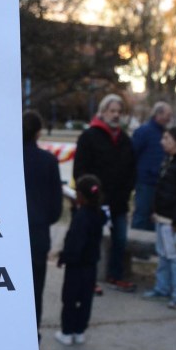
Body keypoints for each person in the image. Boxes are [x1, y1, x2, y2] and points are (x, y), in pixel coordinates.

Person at [73, 94, 136, 292]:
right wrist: (91, 195)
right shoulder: (89, 136)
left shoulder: (125, 140)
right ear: (103, 112)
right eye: (112, 111)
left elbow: (131, 169)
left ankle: (114, 275)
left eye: (119, 111)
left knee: (120, 240)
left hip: (119, 202)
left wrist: (126, 191)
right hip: (95, 203)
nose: (116, 115)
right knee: (91, 243)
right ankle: (88, 280)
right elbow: (80, 170)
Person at [143, 127, 176, 309]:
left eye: (166, 138)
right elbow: (162, 188)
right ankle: (162, 288)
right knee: (164, 256)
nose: (162, 141)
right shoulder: (169, 161)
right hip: (163, 218)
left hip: (175, 222)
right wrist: (155, 211)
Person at [22, 110, 63, 336]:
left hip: (11, 235)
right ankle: (31, 332)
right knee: (35, 287)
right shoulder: (48, 161)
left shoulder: (8, 160)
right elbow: (56, 206)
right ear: (38, 133)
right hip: (38, 233)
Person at [55, 174, 105, 346]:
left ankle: (67, 331)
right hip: (91, 265)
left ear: (81, 195)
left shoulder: (81, 217)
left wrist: (63, 257)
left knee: (69, 299)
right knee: (85, 299)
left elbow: (74, 242)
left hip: (75, 266)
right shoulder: (98, 214)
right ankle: (80, 330)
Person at [131, 102, 172, 231]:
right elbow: (133, 154)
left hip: (159, 181)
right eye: (167, 115)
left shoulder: (164, 133)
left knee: (154, 218)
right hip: (145, 181)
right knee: (142, 215)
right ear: (158, 114)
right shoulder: (144, 132)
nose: (169, 118)